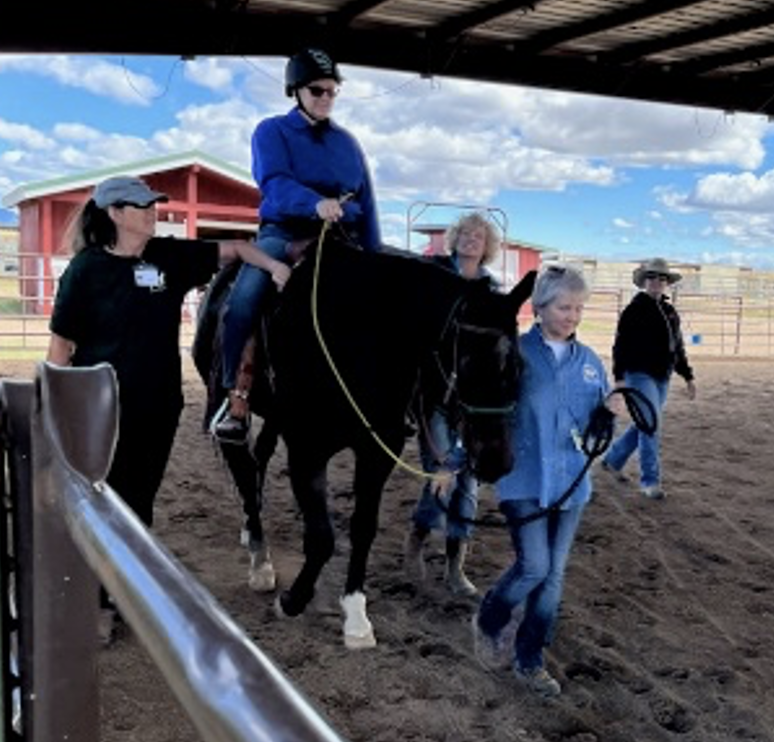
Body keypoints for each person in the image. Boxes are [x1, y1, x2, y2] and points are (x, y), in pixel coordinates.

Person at [47, 175, 290, 642]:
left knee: (139, 502)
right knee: (106, 500)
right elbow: (61, 345)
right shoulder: (86, 269)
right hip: (100, 408)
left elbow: (237, 249)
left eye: (153, 203)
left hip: (159, 406)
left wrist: (273, 267)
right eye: (141, 205)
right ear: (115, 213)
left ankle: (121, 595)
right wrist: (56, 403)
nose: (152, 211)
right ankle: (98, 600)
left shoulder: (168, 257)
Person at [214, 47, 382, 442]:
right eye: (317, 90)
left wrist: (374, 254)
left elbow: (368, 201)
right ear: (296, 90)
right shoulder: (271, 131)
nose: (326, 97)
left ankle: (384, 398)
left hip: (343, 237)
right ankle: (233, 396)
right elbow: (273, 183)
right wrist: (314, 203)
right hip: (285, 234)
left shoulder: (348, 143)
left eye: (332, 91)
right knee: (244, 300)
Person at [472, 265, 614, 698]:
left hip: (572, 483)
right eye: (563, 306)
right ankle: (490, 619)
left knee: (553, 578)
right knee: (534, 566)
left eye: (578, 308)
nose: (572, 315)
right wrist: (459, 461)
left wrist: (604, 423)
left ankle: (529, 659)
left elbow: (595, 425)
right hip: (525, 478)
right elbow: (486, 412)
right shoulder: (512, 353)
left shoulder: (589, 363)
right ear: (540, 306)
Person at [404, 212, 502, 597]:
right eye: (467, 233)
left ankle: (454, 565)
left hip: (473, 404)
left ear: (487, 245)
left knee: (469, 485)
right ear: (455, 238)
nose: (472, 239)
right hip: (434, 395)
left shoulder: (490, 291)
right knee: (444, 472)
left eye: (480, 236)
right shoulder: (433, 277)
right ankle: (417, 537)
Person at [600, 257, 696, 500]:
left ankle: (613, 460)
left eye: (662, 278)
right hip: (639, 375)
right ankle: (650, 481)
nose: (657, 282)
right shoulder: (634, 310)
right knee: (650, 425)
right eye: (652, 277)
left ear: (666, 283)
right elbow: (620, 345)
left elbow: (678, 346)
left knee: (645, 423)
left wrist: (687, 375)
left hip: (662, 377)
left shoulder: (670, 312)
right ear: (644, 281)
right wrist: (620, 377)